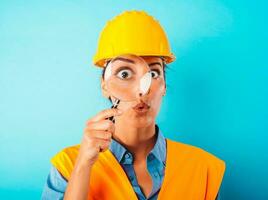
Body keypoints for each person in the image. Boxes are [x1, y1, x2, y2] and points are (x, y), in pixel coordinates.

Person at [42, 10, 225, 200]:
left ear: (164, 86)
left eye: (153, 74)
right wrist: (83, 166)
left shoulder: (203, 169)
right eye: (124, 74)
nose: (142, 90)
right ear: (105, 85)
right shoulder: (68, 165)